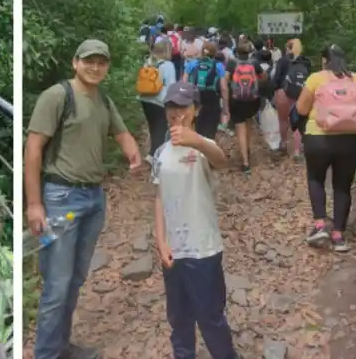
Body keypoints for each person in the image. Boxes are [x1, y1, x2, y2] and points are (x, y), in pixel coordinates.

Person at [24, 39, 143, 359]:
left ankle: (61, 346)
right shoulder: (57, 96)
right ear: (75, 62)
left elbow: (120, 132)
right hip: (61, 197)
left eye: (101, 62)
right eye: (89, 61)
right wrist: (34, 203)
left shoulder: (103, 99)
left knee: (75, 279)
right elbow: (33, 149)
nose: (95, 67)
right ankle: (47, 353)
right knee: (57, 285)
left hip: (93, 198)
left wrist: (132, 152)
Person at [151, 81, 237, 359]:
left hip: (203, 248)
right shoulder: (161, 153)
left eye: (183, 107)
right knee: (179, 316)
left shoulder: (204, 147)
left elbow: (222, 161)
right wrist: (160, 241)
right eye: (171, 107)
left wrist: (196, 140)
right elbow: (159, 197)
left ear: (196, 110)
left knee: (210, 315)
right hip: (174, 249)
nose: (177, 113)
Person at [294, 44, 356, 252]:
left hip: (319, 138)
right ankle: (339, 235)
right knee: (342, 186)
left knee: (316, 179)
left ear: (324, 60)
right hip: (352, 139)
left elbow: (301, 108)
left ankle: (320, 225)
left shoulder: (316, 79)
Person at [225, 41, 266, 173]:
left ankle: (245, 162)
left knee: (240, 128)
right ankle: (247, 150)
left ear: (236, 52)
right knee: (248, 125)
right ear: (249, 52)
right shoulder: (254, 63)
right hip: (252, 100)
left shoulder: (232, 63)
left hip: (236, 100)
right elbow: (264, 76)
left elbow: (225, 79)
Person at [272, 39, 310, 160]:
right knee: (299, 121)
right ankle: (297, 151)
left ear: (288, 48)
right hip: (301, 93)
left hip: (284, 93)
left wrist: (274, 90)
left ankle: (283, 144)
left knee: (283, 120)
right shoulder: (306, 61)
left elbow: (276, 78)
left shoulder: (282, 60)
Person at [139, 41, 177, 162]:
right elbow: (171, 85)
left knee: (152, 126)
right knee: (161, 128)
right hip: (160, 100)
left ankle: (152, 153)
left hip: (145, 98)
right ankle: (156, 156)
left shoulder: (148, 62)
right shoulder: (168, 65)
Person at [183, 41, 229, 139]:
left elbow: (184, 84)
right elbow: (224, 88)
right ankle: (208, 147)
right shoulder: (219, 66)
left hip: (195, 97)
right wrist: (225, 108)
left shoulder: (192, 64)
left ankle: (198, 148)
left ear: (202, 51)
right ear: (215, 52)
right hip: (212, 98)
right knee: (210, 128)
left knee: (197, 126)